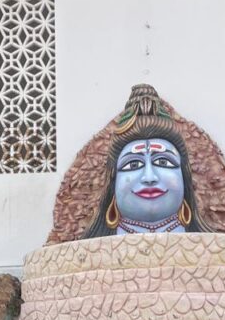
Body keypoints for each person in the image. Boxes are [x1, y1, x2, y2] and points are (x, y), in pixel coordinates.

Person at [83, 84, 211, 238]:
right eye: (133, 164)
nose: (149, 177)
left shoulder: (213, 247)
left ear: (184, 176)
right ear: (112, 182)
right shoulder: (90, 252)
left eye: (163, 162)